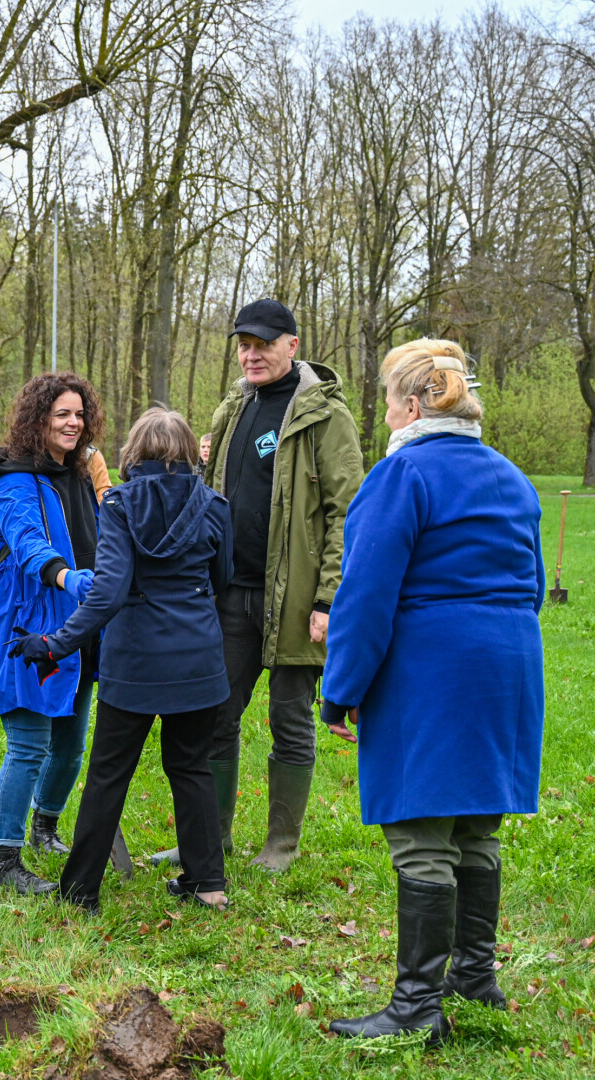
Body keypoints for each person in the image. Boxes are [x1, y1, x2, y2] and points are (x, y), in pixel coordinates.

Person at [320, 340, 543, 1044]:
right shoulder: (511, 476)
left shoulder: (401, 473)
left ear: (414, 406)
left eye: (390, 403)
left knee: (421, 831)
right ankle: (474, 976)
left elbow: (365, 595)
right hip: (509, 661)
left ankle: (417, 1005)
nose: (386, 416)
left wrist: (340, 688)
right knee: (476, 824)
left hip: (433, 665)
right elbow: (534, 584)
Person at [154, 298, 363, 873]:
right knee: (215, 715)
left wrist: (328, 599)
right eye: (244, 346)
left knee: (290, 721)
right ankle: (210, 839)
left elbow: (347, 513)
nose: (252, 355)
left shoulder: (324, 415)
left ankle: (280, 847)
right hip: (229, 594)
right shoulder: (235, 406)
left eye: (264, 345)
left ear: (292, 346)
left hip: (296, 601)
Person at [11, 408, 232, 913]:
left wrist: (55, 644)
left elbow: (108, 592)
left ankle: (81, 891)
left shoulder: (120, 505)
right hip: (198, 658)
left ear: (135, 452)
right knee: (192, 767)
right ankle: (208, 883)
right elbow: (223, 577)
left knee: (109, 774)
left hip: (134, 661)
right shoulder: (214, 505)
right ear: (186, 452)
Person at [0, 373, 105, 895]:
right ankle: (6, 860)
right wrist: (68, 578)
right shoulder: (13, 480)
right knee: (29, 744)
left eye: (79, 414)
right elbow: (28, 543)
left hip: (79, 624)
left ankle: (44, 827)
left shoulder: (79, 475)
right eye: (61, 414)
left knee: (70, 745)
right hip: (27, 625)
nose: (73, 423)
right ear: (38, 420)